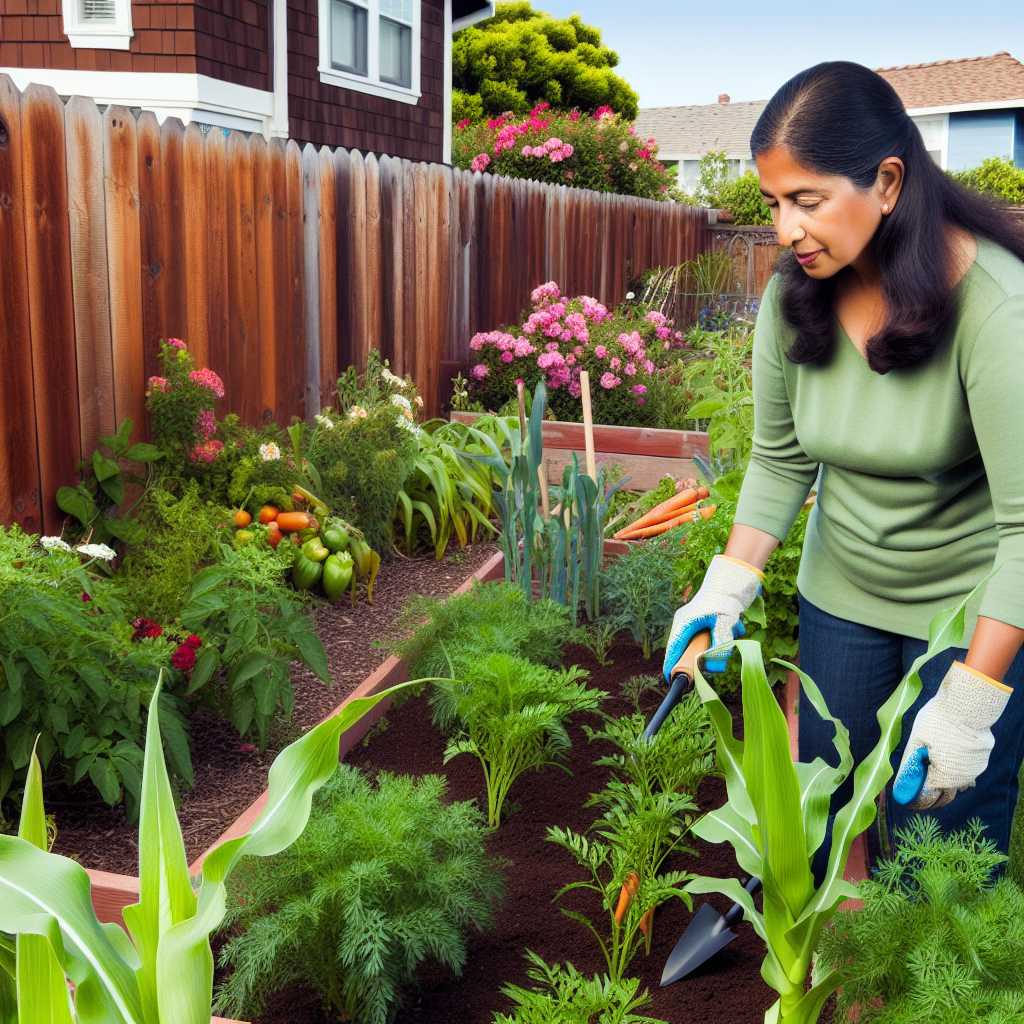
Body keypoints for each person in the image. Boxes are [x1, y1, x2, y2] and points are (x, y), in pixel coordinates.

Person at [662, 60, 1024, 879]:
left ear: (887, 182)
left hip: (969, 615)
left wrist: (968, 707)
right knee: (822, 815)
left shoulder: (998, 311)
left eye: (808, 201)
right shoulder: (794, 296)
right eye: (774, 204)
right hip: (843, 601)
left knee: (939, 858)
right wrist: (727, 587)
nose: (785, 230)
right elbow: (780, 460)